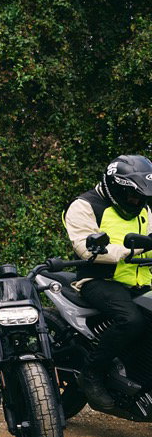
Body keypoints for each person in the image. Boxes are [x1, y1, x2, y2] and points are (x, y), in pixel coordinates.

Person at [62, 154, 152, 409]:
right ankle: (92, 373)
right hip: (98, 281)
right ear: (116, 187)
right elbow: (84, 247)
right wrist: (126, 251)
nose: (138, 201)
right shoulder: (85, 205)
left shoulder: (144, 209)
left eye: (143, 197)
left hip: (139, 282)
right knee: (130, 320)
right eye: (134, 195)